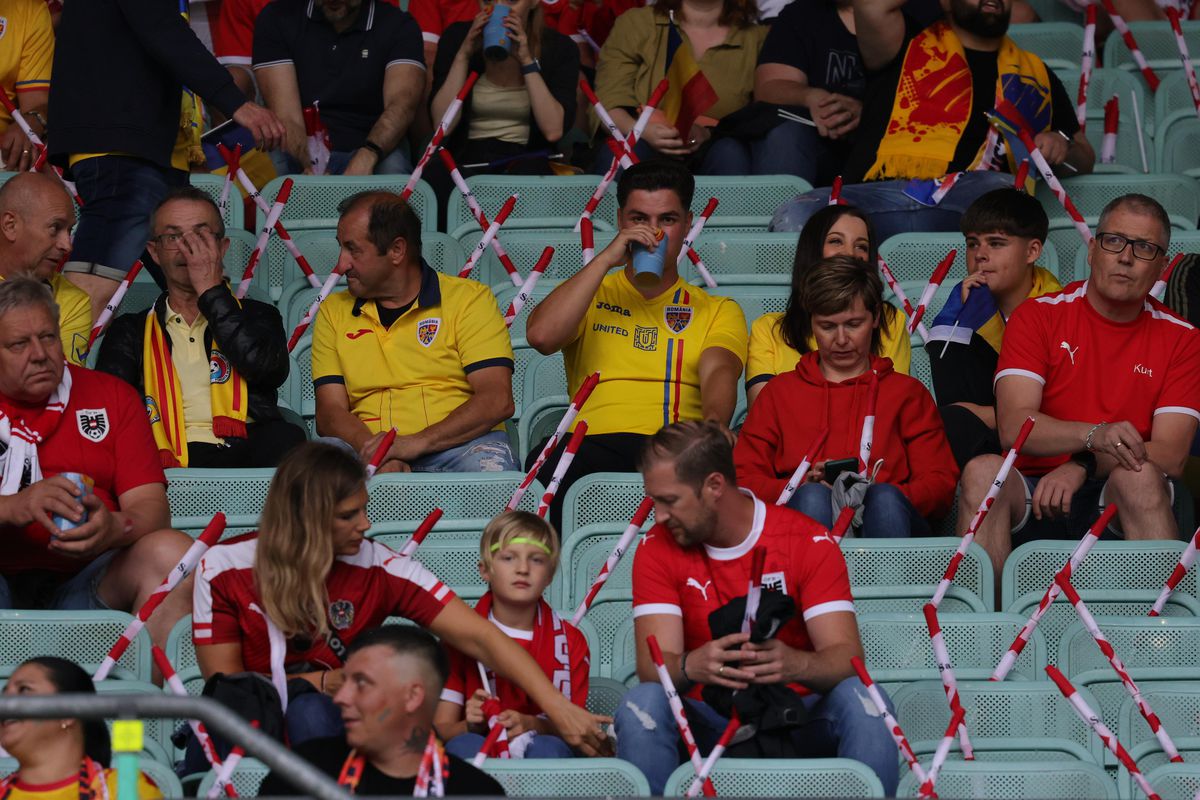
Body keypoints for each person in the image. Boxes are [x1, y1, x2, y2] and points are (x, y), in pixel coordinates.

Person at [193, 441, 609, 753]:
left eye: (364, 508)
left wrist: (557, 708)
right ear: (308, 518)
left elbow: (481, 636)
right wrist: (317, 682)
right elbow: (226, 690)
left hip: (340, 722)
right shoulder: (222, 567)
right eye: (348, 515)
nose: (366, 524)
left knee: (316, 713)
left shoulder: (380, 566)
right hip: (252, 722)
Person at [616, 420, 897, 795]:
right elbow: (654, 667)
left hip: (795, 713)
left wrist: (796, 663)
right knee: (642, 703)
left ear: (714, 486)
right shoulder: (657, 546)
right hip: (706, 718)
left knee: (868, 699)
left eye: (670, 501)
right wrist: (690, 664)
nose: (659, 517)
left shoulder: (806, 540)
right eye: (655, 501)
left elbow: (848, 657)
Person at [957, 194, 1200, 579]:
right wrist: (1094, 436)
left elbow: (1169, 455)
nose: (1125, 256)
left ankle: (1161, 637)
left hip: (1118, 488)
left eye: (1144, 248)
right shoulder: (1038, 316)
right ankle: (988, 634)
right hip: (1031, 488)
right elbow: (1014, 426)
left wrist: (1083, 464)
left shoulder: (1184, 339)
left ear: (1162, 268)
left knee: (1140, 478)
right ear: (1092, 250)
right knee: (983, 473)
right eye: (1113, 240)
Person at [525, 160, 747, 528]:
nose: (654, 234)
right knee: (545, 464)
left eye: (668, 220)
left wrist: (711, 425)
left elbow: (720, 369)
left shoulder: (717, 308)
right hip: (591, 443)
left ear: (688, 224)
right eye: (640, 219)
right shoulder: (590, 291)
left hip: (676, 446)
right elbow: (541, 337)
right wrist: (608, 258)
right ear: (620, 220)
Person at [768, 0, 1094, 241]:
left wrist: (1061, 146)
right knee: (795, 214)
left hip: (974, 204)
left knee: (1005, 195)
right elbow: (871, 6)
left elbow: (1084, 155)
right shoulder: (904, 43)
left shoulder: (1035, 75)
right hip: (877, 197)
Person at [50, 0, 285, 323]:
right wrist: (236, 103)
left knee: (196, 286)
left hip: (156, 151)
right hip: (123, 151)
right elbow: (163, 29)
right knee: (95, 286)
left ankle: (210, 374)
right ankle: (46, 370)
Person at [0, 278, 193, 656]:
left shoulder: (111, 395)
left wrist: (113, 527)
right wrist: (14, 506)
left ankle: (143, 714)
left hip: (89, 580)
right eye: (19, 344)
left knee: (174, 554)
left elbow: (151, 508)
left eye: (48, 338)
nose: (40, 354)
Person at [736, 257, 957, 537]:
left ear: (876, 317)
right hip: (799, 523)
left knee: (885, 502)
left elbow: (941, 486)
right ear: (811, 322)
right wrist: (799, 484)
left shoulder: (908, 394)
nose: (841, 339)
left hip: (890, 521)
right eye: (827, 326)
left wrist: (873, 492)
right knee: (813, 498)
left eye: (853, 324)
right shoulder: (779, 393)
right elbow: (742, 482)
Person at [96, 187, 306, 469]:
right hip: (162, 450)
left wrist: (210, 291)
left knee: (287, 437)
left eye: (200, 236)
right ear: (154, 253)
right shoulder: (131, 330)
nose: (187, 247)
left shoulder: (259, 314)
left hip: (245, 445)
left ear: (222, 247)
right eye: (173, 237)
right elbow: (112, 406)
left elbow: (267, 370)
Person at [312, 191, 519, 473]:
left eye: (353, 249)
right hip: (364, 447)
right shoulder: (333, 311)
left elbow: (497, 399)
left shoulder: (470, 299)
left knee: (494, 471)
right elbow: (329, 412)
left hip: (461, 448)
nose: (342, 263)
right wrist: (378, 451)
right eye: (341, 248)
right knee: (318, 473)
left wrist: (414, 444)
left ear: (397, 250)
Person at [259, 626, 506, 796]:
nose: (342, 697)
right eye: (344, 682)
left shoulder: (477, 791)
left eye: (362, 683)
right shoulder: (298, 774)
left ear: (412, 697)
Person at [435, 510, 589, 760]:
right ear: (485, 570)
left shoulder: (572, 641)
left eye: (537, 560)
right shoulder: (458, 638)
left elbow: (578, 732)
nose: (523, 568)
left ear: (550, 575)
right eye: (508, 558)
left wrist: (532, 725)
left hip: (542, 752)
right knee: (464, 746)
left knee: (547, 750)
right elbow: (440, 731)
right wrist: (470, 725)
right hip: (480, 751)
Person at [926, 187, 1062, 468]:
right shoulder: (959, 311)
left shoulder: (1062, 312)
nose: (980, 255)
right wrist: (962, 318)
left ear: (1032, 251)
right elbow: (955, 413)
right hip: (984, 459)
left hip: (1053, 456)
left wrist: (982, 414)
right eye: (973, 243)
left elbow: (1064, 411)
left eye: (996, 243)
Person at [746, 204, 910, 409]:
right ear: (812, 250)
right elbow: (765, 413)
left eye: (862, 246)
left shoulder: (888, 319)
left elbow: (894, 405)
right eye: (836, 241)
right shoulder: (769, 329)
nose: (850, 253)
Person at [253, 0, 426, 176]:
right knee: (271, 167)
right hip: (300, 146)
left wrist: (368, 154)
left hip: (373, 145)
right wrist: (312, 164)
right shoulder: (278, 17)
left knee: (393, 169)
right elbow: (286, 116)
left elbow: (402, 105)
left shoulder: (398, 25)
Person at [592, 0, 766, 173]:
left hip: (719, 145)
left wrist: (709, 133)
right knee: (623, 153)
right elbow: (608, 101)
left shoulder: (758, 38)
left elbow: (761, 117)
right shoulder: (638, 23)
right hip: (641, 137)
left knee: (730, 153)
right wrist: (642, 130)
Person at [427, 0, 578, 188]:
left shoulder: (559, 48)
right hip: (468, 157)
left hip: (527, 158)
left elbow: (553, 130)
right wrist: (463, 55)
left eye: (512, 1)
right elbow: (442, 126)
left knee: (530, 173)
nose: (498, 7)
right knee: (438, 175)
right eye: (488, 2)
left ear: (533, 3)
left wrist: (526, 60)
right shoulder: (457, 37)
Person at [0, 657, 163, 799]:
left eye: (24, 689)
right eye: (4, 694)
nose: (6, 703)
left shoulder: (124, 790)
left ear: (68, 712)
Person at [0, 173, 91, 367]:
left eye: (69, 231)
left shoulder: (73, 301)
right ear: (10, 225)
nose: (67, 245)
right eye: (54, 228)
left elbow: (54, 380)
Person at [0, 0, 53, 173]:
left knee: (45, 193)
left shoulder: (28, 9)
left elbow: (37, 103)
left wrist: (32, 121)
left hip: (2, 153)